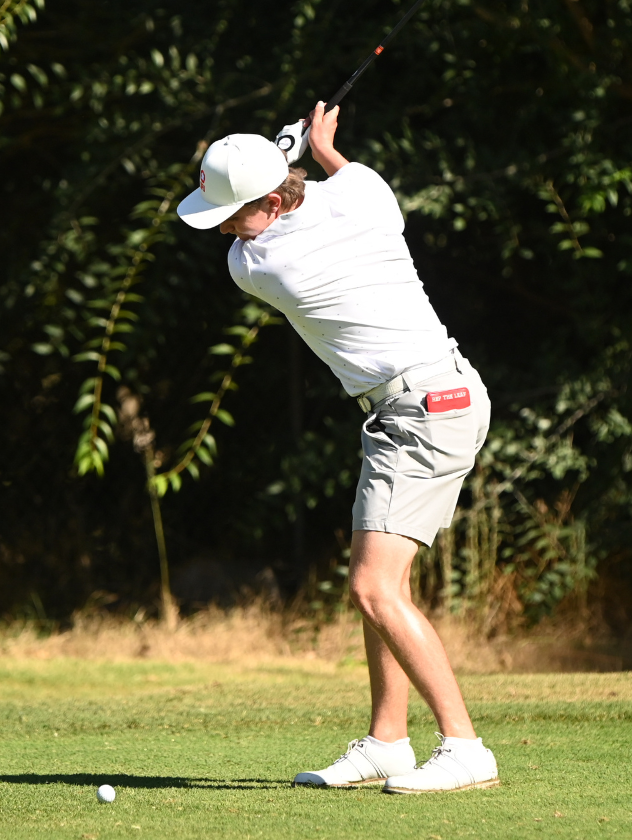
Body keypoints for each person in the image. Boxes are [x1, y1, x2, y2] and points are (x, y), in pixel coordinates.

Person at [175, 102, 497, 794]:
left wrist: (292, 153)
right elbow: (341, 184)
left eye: (231, 214)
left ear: (271, 201)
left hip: (423, 412)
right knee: (381, 587)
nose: (223, 228)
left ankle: (466, 747)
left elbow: (274, 224)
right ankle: (387, 741)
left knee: (371, 588)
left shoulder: (259, 265)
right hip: (432, 399)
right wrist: (321, 148)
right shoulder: (363, 192)